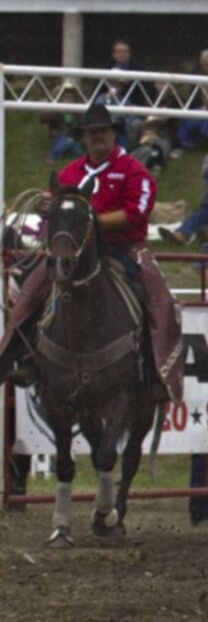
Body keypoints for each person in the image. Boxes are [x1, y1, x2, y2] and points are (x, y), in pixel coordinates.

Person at [0, 104, 184, 401]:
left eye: (102, 131)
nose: (97, 137)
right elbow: (56, 201)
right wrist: (47, 206)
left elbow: (137, 212)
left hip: (125, 247)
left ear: (114, 134)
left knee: (161, 300)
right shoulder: (72, 171)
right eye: (91, 133)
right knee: (29, 293)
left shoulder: (134, 171)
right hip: (76, 249)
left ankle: (158, 372)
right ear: (84, 138)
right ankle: (18, 358)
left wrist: (90, 219)